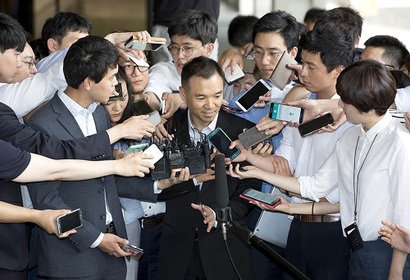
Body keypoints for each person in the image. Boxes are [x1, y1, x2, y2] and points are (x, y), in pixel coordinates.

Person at [230, 60, 410, 280]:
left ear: (365, 105)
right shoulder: (351, 137)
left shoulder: (400, 141)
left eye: (345, 100)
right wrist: (256, 171)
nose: (340, 106)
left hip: (384, 251)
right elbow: (314, 185)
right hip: (355, 246)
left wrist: (396, 273)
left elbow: (404, 213)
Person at [156, 56, 261, 280]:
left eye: (217, 95)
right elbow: (155, 187)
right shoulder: (165, 129)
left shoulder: (242, 132)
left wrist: (221, 214)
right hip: (176, 249)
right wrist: (192, 179)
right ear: (183, 94)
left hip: (225, 247)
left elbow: (251, 187)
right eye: (201, 97)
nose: (210, 105)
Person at [143, 9, 218, 118]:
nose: (179, 56)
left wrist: (183, 100)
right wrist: (148, 107)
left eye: (187, 48)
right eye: (174, 47)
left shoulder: (220, 73)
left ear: (208, 49)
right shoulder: (163, 71)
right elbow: (153, 97)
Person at [149, 0, 220, 64]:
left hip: (205, 27)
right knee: (165, 73)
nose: (180, 56)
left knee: (208, 73)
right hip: (168, 23)